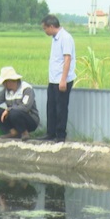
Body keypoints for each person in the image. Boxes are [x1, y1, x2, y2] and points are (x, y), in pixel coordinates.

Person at [41, 14, 76, 142]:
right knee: (51, 106)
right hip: (53, 79)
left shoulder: (65, 38)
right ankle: (50, 133)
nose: (45, 31)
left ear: (51, 26)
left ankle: (60, 135)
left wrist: (63, 80)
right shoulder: (55, 38)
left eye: (45, 28)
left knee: (61, 108)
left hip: (62, 80)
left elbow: (67, 59)